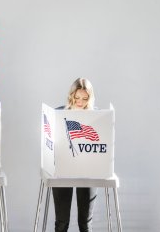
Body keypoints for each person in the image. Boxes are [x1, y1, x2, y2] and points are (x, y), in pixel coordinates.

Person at [52, 77, 98, 232]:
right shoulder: (58, 113)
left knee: (85, 223)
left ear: (90, 98)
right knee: (62, 221)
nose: (80, 102)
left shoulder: (97, 116)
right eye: (77, 97)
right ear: (71, 95)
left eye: (85, 99)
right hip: (63, 169)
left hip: (88, 170)